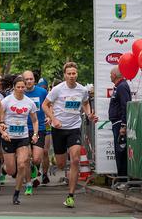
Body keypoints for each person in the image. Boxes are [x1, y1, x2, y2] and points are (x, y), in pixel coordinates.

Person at [42, 62, 97, 208]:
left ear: (76, 74)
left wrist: (89, 114)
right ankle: (57, 158)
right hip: (58, 129)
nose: (72, 76)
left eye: (74, 73)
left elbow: (85, 103)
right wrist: (54, 119)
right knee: (61, 164)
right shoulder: (57, 89)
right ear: (65, 75)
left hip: (74, 128)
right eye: (69, 74)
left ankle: (71, 196)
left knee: (75, 159)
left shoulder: (82, 90)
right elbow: (44, 105)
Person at [0, 76, 39, 205]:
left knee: (22, 164)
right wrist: (2, 132)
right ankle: (4, 170)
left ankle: (16, 193)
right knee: (11, 170)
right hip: (8, 138)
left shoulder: (29, 102)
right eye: (18, 87)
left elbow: (35, 120)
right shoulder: (6, 101)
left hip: (23, 137)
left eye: (23, 87)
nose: (21, 89)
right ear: (14, 87)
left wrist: (35, 134)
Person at [23, 69, 48, 194]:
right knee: (26, 157)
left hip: (39, 128)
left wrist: (49, 116)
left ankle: (34, 169)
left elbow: (49, 105)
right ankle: (28, 183)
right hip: (23, 129)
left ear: (34, 80)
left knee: (37, 158)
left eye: (31, 79)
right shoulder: (19, 92)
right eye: (26, 79)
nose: (28, 81)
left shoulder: (42, 92)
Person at [108, 66, 131, 177]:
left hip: (119, 124)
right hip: (116, 123)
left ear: (116, 75)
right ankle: (121, 177)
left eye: (111, 73)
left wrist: (123, 125)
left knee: (121, 151)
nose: (110, 75)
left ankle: (123, 178)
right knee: (119, 151)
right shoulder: (118, 86)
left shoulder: (122, 87)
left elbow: (125, 106)